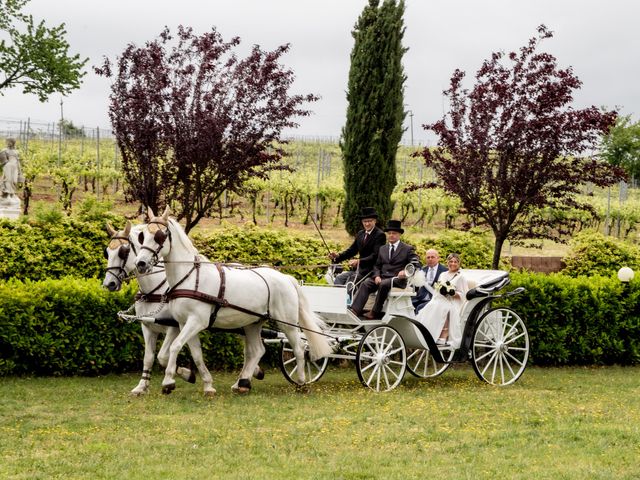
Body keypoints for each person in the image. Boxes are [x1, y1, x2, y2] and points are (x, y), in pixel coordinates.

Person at [348, 220, 420, 320]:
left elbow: (415, 262)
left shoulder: (407, 248)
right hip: (382, 277)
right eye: (389, 233)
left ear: (399, 234)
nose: (391, 235)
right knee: (366, 283)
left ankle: (375, 312)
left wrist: (406, 271)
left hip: (398, 279)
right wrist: (377, 275)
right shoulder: (383, 248)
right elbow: (377, 265)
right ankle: (355, 310)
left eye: (394, 233)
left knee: (384, 284)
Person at [416, 253, 470, 347]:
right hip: (440, 298)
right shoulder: (443, 274)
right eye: (450, 261)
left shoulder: (461, 277)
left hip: (453, 302)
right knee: (431, 305)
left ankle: (443, 335)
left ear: (459, 263)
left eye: (455, 262)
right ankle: (428, 332)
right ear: (447, 262)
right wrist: (441, 290)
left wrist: (452, 293)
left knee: (443, 307)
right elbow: (438, 288)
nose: (452, 264)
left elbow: (464, 295)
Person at [328, 207, 386, 288]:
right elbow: (352, 250)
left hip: (371, 271)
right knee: (339, 278)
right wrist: (338, 256)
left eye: (370, 221)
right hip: (358, 270)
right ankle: (340, 300)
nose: (367, 224)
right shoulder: (360, 234)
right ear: (362, 222)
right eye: (365, 221)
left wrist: (359, 261)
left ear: (375, 221)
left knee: (350, 283)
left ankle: (350, 300)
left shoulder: (380, 235)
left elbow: (376, 255)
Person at [412, 249, 447, 314]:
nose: (430, 259)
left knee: (420, 308)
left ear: (438, 258)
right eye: (428, 257)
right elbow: (416, 286)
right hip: (420, 298)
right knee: (408, 306)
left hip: (435, 299)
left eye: (432, 257)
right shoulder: (422, 270)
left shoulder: (445, 271)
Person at [0, 138, 22, 204]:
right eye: (7, 142)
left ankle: (12, 194)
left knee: (14, 181)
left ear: (13, 143)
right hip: (8, 167)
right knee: (8, 180)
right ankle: (7, 195)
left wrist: (20, 171)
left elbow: (18, 162)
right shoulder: (4, 150)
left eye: (9, 142)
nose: (8, 143)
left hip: (15, 167)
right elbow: (3, 161)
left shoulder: (16, 151)